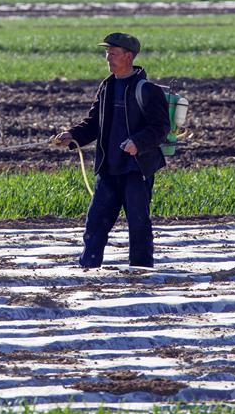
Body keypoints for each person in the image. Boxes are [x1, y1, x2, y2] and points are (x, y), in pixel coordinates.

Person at [53, 32, 170, 269]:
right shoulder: (106, 86)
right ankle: (87, 269)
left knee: (138, 226)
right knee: (95, 224)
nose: (108, 58)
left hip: (136, 171)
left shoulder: (148, 90)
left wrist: (138, 142)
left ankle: (142, 272)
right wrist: (72, 136)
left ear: (128, 56)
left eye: (113, 53)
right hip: (108, 168)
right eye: (107, 53)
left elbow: (161, 128)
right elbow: (94, 123)